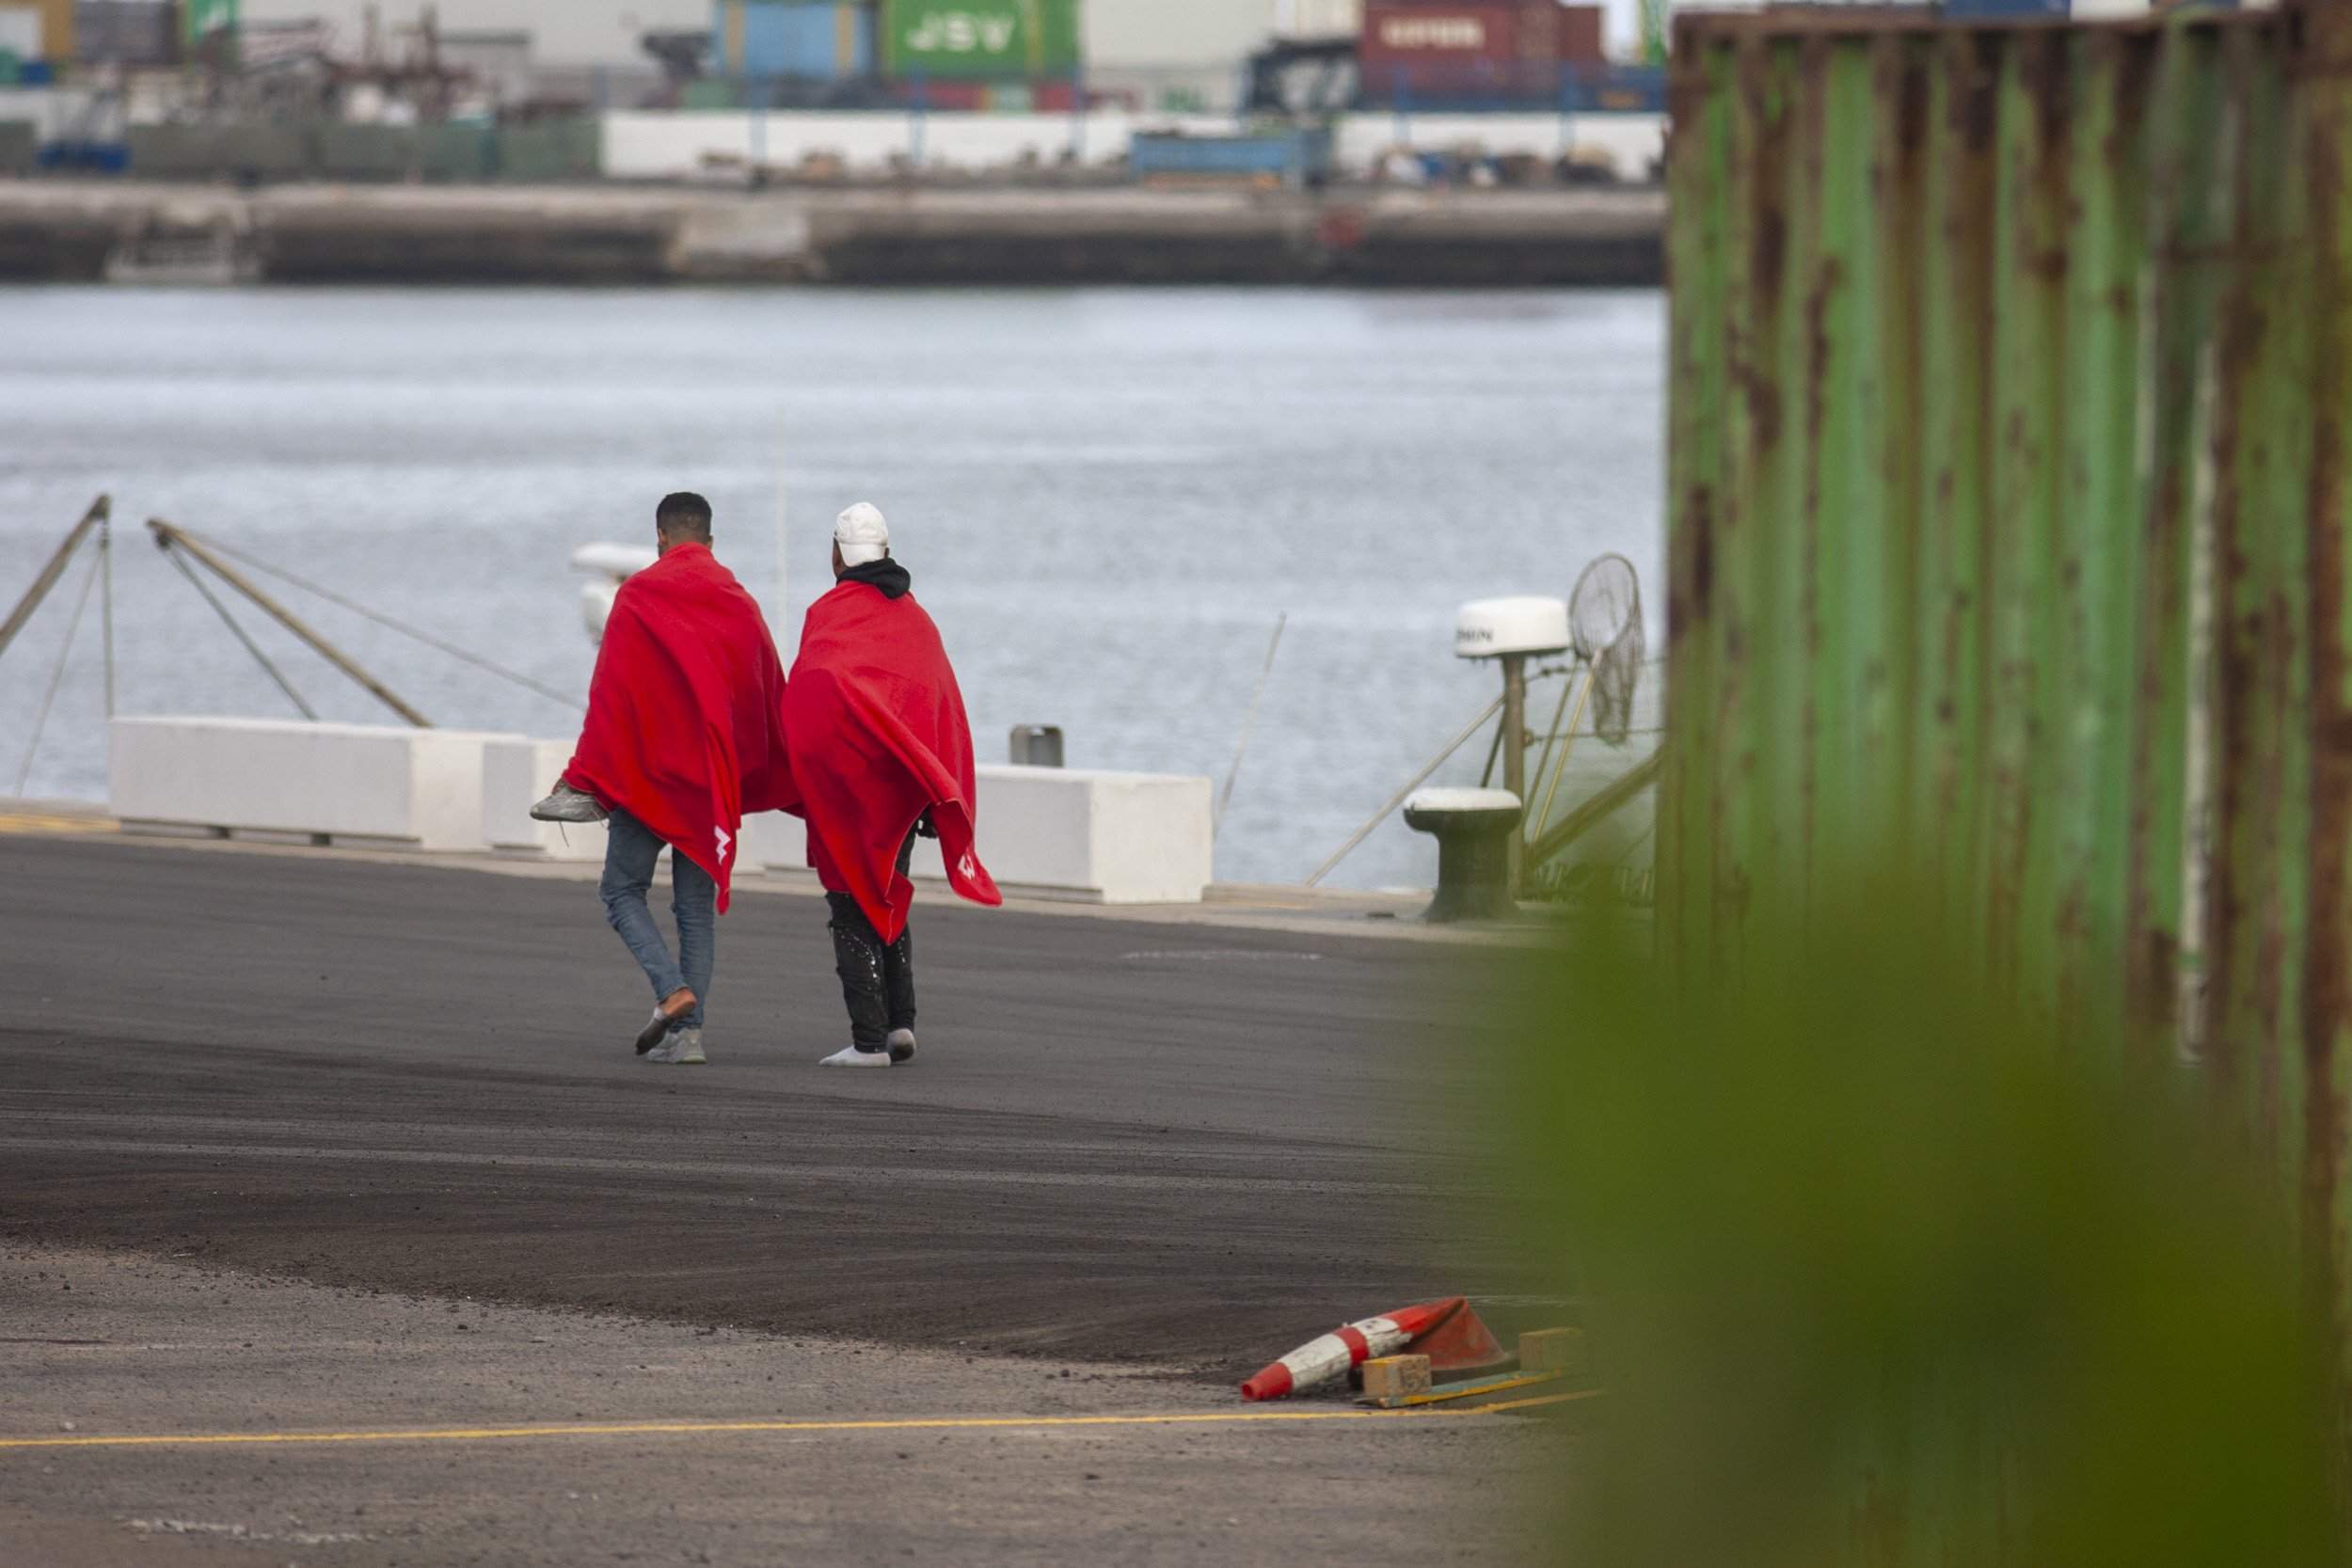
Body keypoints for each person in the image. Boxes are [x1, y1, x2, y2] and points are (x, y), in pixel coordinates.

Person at [532, 492, 793, 1066]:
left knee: (620, 891)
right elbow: (763, 692)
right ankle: (689, 1038)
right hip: (707, 784)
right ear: (710, 541)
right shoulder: (739, 602)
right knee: (694, 911)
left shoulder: (638, 596)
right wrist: (761, 770)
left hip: (648, 781)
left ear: (660, 538)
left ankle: (670, 990)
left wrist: (583, 775)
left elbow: (611, 695)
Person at [780, 502, 1001, 1068]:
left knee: (850, 903)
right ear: (886, 550)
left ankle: (869, 1040)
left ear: (837, 554)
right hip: (903, 793)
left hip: (849, 791)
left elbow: (809, 692)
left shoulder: (827, 615)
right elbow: (937, 702)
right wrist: (936, 786)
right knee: (889, 893)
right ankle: (900, 1024)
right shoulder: (915, 618)